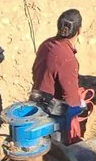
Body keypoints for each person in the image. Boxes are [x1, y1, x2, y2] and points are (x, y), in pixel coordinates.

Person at [32, 9, 87, 144]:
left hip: (36, 102)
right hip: (53, 114)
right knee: (58, 150)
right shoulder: (67, 59)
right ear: (79, 31)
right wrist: (80, 105)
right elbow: (71, 99)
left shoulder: (46, 44)